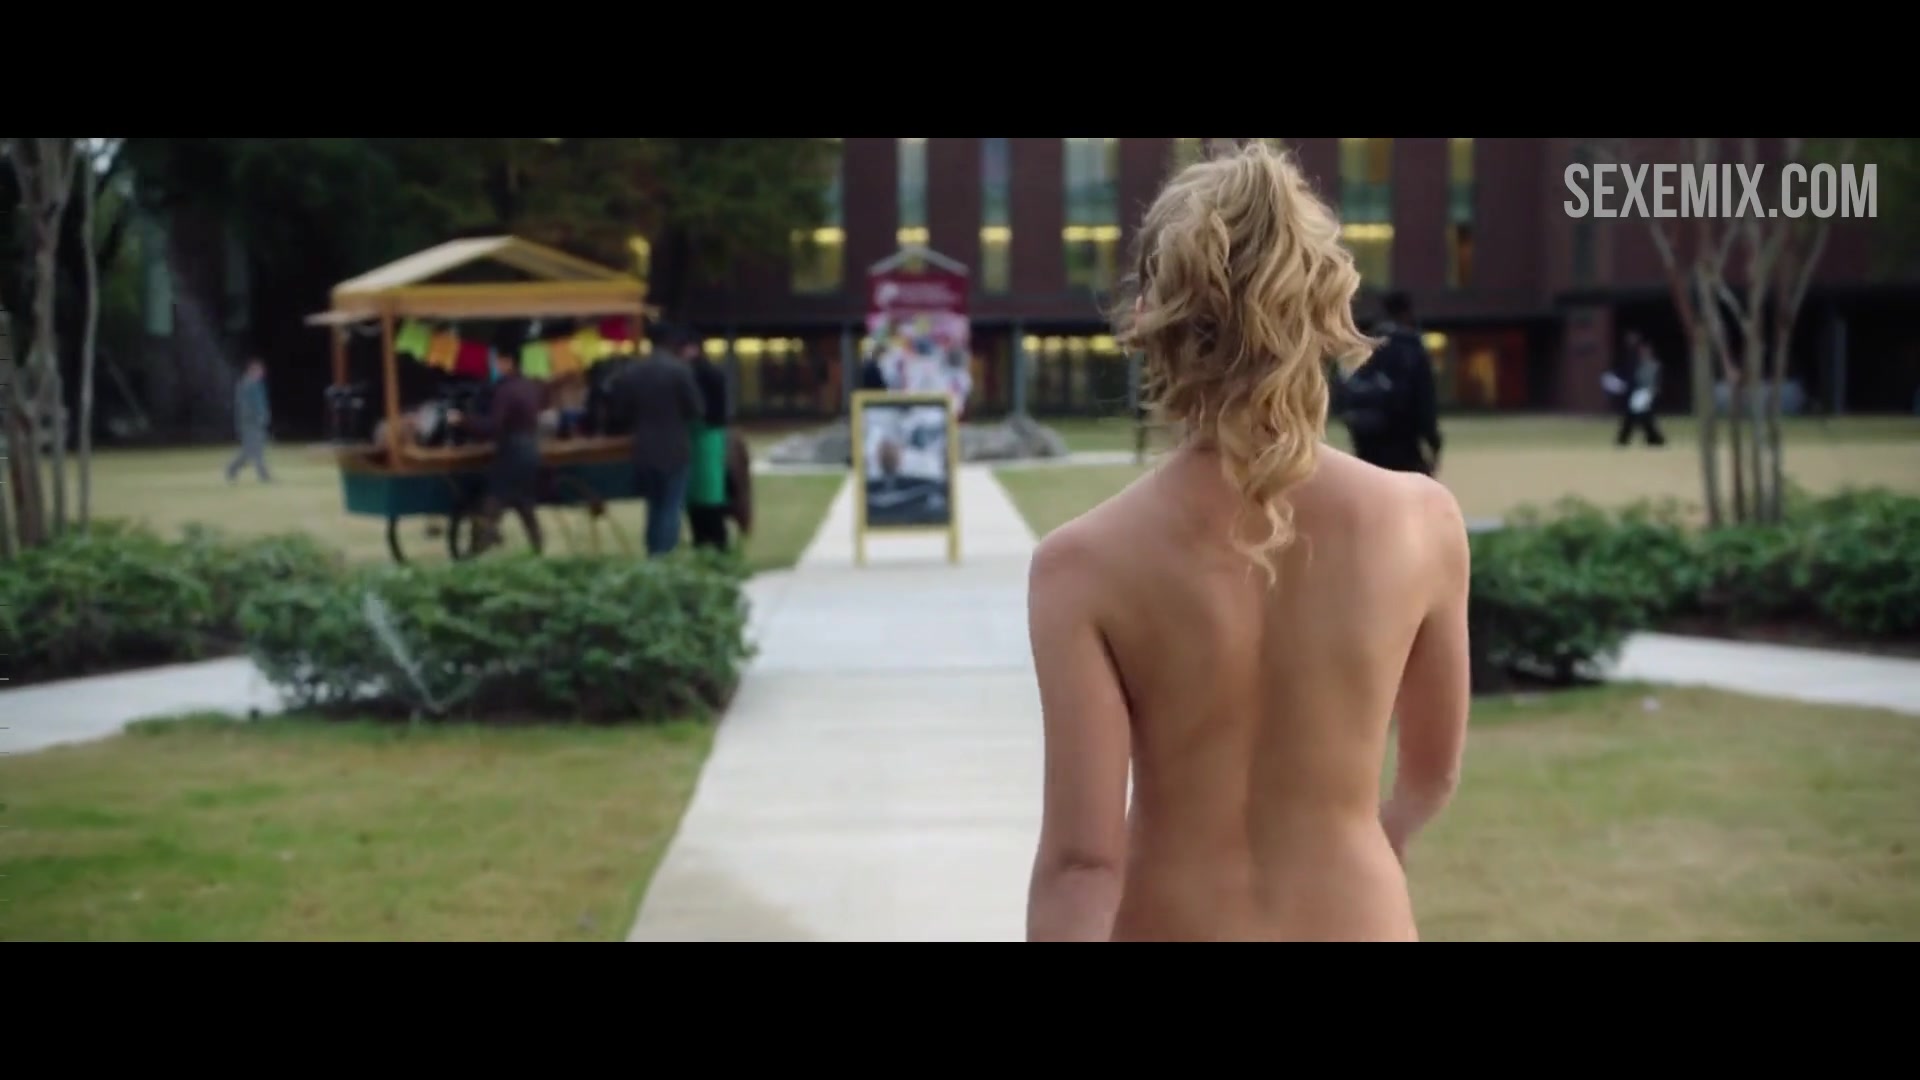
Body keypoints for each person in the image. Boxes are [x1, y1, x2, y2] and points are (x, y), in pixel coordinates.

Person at [1025, 143, 1471, 942]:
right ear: (1322, 304)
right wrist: (1379, 839)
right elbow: (1433, 775)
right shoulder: (1423, 522)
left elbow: (1082, 863)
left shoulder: (1082, 564)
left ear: (1151, 318)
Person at [607, 323, 706, 557]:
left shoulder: (633, 372)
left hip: (644, 447)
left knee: (654, 505)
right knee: (671, 506)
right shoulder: (679, 371)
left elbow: (620, 412)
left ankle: (653, 553)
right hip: (675, 447)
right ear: (671, 342)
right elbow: (696, 409)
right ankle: (664, 555)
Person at [450, 351, 545, 553]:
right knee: (525, 506)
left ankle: (476, 552)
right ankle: (537, 550)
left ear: (509, 363)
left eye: (499, 362)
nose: (496, 366)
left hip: (512, 452)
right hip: (531, 450)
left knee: (492, 502)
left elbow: (493, 426)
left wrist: (463, 421)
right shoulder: (530, 386)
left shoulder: (505, 391)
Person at [1338, 291, 1443, 475]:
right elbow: (1425, 400)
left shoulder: (1367, 344)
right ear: (1406, 313)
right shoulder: (1411, 347)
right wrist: (1434, 443)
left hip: (1365, 439)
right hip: (1401, 439)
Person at [683, 328, 733, 551]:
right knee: (711, 494)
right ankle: (716, 542)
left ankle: (706, 541)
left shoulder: (695, 374)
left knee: (703, 496)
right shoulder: (710, 373)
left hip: (702, 436)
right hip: (709, 436)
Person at [1615, 331, 1667, 447]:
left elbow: (1656, 381)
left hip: (1647, 392)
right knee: (1640, 416)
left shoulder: (1654, 365)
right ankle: (1652, 439)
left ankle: (1651, 439)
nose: (1643, 353)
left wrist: (1654, 392)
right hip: (1638, 393)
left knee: (1638, 416)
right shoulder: (1638, 364)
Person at [227, 358, 273, 483]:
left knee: (250, 451)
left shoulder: (258, 385)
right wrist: (254, 418)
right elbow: (244, 407)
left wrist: (264, 416)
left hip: (258, 423)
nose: (261, 373)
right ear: (252, 371)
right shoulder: (246, 385)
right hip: (249, 424)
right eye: (259, 371)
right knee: (255, 450)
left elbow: (261, 403)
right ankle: (263, 475)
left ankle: (232, 469)